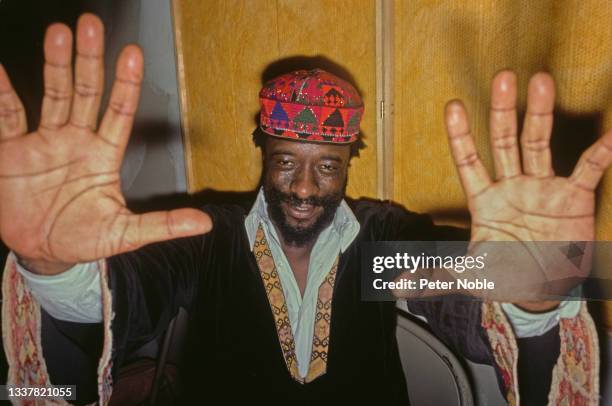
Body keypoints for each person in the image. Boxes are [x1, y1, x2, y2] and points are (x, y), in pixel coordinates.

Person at [0, 13, 608, 405]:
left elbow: (461, 288)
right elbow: (121, 300)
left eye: (328, 165)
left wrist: (535, 285)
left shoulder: (379, 246)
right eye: (287, 161)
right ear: (262, 149)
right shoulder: (207, 234)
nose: (306, 187)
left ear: (350, 163)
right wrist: (50, 267)